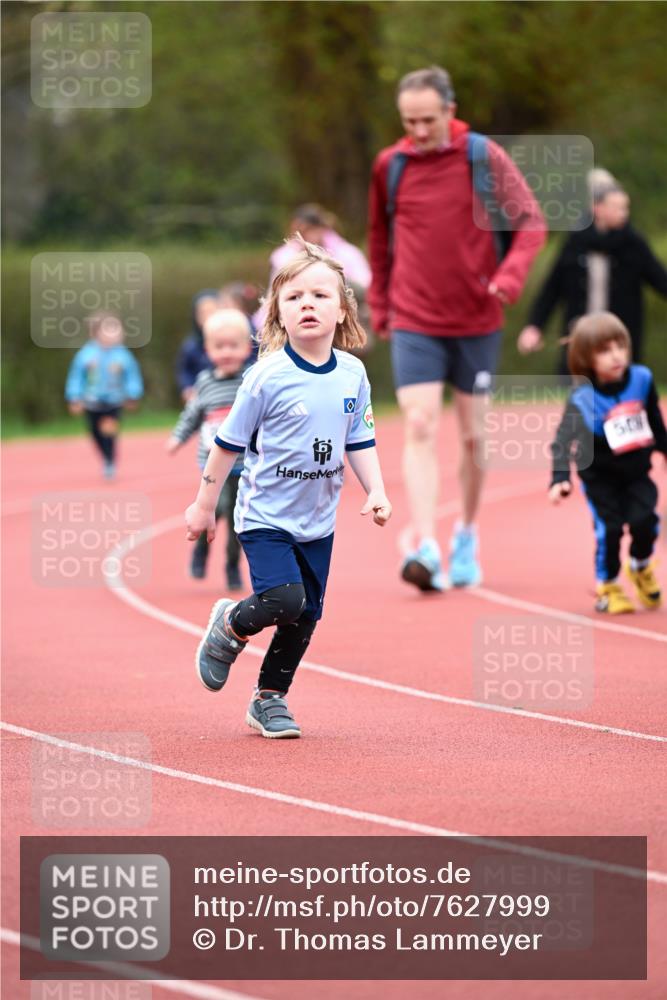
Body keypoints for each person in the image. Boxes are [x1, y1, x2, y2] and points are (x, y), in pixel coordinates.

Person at [184, 239, 391, 739]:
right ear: (277, 312)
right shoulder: (264, 377)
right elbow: (226, 445)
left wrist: (377, 490)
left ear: (342, 309)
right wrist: (203, 506)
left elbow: (359, 438)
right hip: (265, 515)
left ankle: (269, 700)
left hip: (318, 520)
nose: (308, 305)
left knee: (307, 614)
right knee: (283, 599)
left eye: (320, 295)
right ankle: (230, 625)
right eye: (294, 297)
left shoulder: (353, 373)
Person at [367, 65, 546, 591]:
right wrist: (380, 305)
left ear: (450, 110)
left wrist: (509, 277)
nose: (418, 131)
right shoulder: (390, 166)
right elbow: (379, 239)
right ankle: (426, 544)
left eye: (427, 120)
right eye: (408, 121)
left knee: (473, 437)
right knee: (419, 424)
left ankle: (465, 533)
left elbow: (530, 223)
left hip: (476, 319)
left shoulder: (482, 156)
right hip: (414, 317)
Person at [549, 311, 666, 614]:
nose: (616, 356)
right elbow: (562, 442)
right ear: (587, 359)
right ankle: (608, 585)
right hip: (599, 478)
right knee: (610, 529)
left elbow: (654, 420)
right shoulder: (582, 398)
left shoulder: (641, 379)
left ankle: (640, 566)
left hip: (636, 473)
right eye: (604, 351)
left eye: (620, 346)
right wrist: (559, 478)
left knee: (647, 522)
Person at [518, 169, 667, 372]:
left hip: (620, 336)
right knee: (577, 393)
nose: (624, 214)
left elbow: (660, 279)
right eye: (616, 208)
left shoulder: (633, 243)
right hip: (580, 335)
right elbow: (552, 288)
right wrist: (534, 326)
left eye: (625, 208)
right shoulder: (576, 241)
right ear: (597, 209)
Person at [167, 309, 253, 589]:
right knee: (214, 509)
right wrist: (178, 438)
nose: (226, 352)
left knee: (239, 518)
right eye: (219, 346)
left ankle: (232, 565)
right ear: (207, 349)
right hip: (212, 466)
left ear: (246, 346)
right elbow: (192, 414)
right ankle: (201, 550)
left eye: (233, 345)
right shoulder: (205, 382)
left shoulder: (252, 380)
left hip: (245, 464)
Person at [253, 204, 371, 331]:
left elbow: (365, 284)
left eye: (308, 230)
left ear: (321, 229)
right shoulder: (284, 257)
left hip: (340, 312)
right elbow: (274, 293)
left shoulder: (347, 252)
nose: (304, 236)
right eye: (298, 232)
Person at [65, 312, 144, 479]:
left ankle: (110, 459)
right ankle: (106, 455)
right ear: (96, 333)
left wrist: (133, 394)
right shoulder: (86, 354)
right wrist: (74, 397)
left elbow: (132, 375)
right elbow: (76, 376)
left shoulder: (123, 355)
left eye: (117, 329)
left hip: (114, 400)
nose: (115, 333)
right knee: (95, 432)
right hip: (92, 401)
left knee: (109, 430)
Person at [176, 290, 219, 402]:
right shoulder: (191, 345)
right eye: (202, 313)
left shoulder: (232, 340)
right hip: (201, 397)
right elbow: (185, 370)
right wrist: (187, 388)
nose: (207, 316)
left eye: (211, 311)